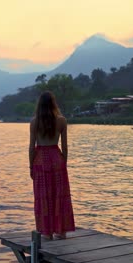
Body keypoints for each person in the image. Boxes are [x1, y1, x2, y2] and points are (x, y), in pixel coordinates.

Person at [29, 91, 75, 240]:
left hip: (41, 160)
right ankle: (61, 232)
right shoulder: (62, 120)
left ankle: (46, 233)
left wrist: (31, 166)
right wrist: (64, 164)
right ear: (54, 103)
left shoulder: (35, 122)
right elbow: (65, 146)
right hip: (57, 159)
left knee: (43, 197)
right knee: (59, 196)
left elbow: (31, 147)